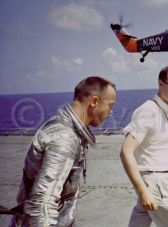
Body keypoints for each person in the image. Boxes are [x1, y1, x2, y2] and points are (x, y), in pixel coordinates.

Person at [9, 76, 116, 226]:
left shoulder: (67, 129)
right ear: (94, 102)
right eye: (110, 105)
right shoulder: (64, 139)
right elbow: (42, 204)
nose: (110, 112)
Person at [120, 65, 168, 227]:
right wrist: (143, 191)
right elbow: (125, 152)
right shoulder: (148, 111)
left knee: (139, 221)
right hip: (156, 183)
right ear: (160, 84)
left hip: (160, 180)